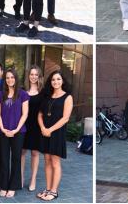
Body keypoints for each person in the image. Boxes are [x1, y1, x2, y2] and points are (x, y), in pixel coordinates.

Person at [37, 71, 74, 201]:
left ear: (62, 81)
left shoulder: (67, 97)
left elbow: (65, 118)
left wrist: (50, 130)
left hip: (57, 133)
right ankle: (47, 189)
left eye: (58, 79)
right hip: (45, 132)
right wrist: (42, 128)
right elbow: (40, 114)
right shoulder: (46, 96)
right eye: (53, 79)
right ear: (50, 82)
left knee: (55, 162)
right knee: (47, 161)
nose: (56, 82)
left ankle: (54, 191)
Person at [0, 69, 29, 197]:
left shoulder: (23, 94)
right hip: (2, 131)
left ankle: (13, 186)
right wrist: (3, 128)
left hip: (18, 132)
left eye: (12, 77)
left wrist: (16, 129)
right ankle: (3, 185)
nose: (10, 80)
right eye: (7, 77)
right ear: (5, 79)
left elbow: (25, 114)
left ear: (16, 78)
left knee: (16, 159)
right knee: (3, 159)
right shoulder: (0, 94)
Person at [22, 65, 44, 191]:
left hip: (36, 126)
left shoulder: (43, 92)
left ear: (39, 76)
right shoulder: (22, 90)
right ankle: (21, 178)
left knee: (35, 153)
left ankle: (33, 179)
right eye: (32, 74)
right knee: (22, 152)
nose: (34, 77)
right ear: (28, 76)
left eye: (36, 74)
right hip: (24, 124)